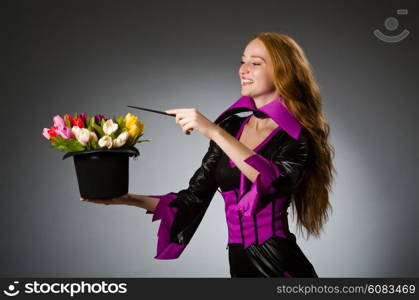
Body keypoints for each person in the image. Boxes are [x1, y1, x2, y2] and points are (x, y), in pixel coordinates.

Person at [81, 32, 336, 278]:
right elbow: (192, 200)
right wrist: (125, 199)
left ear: (284, 73)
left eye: (255, 63)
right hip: (239, 266)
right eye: (242, 61)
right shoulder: (231, 127)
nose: (243, 69)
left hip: (280, 265)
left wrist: (213, 131)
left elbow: (270, 181)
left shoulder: (295, 136)